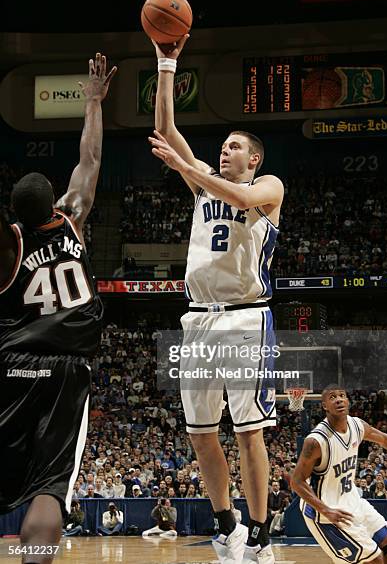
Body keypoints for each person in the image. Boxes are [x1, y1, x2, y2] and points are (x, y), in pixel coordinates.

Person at [149, 36, 283, 564]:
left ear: (252, 159)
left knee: (249, 433)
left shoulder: (268, 187)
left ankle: (260, 530)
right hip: (198, 322)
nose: (224, 151)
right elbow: (167, 130)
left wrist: (191, 168)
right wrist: (166, 62)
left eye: (233, 147)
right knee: (201, 434)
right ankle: (227, 523)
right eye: (221, 147)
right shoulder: (204, 187)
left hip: (246, 318)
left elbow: (244, 198)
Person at [0, 53, 116, 561]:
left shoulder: (9, 246)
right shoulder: (72, 220)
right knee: (49, 489)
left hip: (10, 367)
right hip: (65, 373)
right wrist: (93, 101)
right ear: (55, 204)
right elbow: (89, 159)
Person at [291, 384, 387, 564]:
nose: (338, 399)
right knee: (374, 560)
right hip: (326, 513)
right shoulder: (316, 441)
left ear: (348, 401)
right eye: (332, 397)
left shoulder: (357, 425)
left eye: (342, 395)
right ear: (324, 406)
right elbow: (296, 482)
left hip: (352, 501)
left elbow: (384, 439)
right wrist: (326, 510)